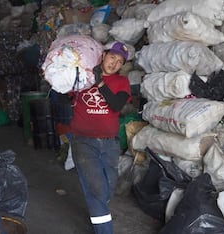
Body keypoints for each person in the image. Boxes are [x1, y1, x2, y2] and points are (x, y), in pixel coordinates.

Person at [68, 41, 131, 234]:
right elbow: (62, 93)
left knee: (108, 188)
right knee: (97, 189)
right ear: (103, 56)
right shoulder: (83, 77)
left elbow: (116, 105)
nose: (114, 63)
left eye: (119, 61)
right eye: (112, 57)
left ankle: (97, 207)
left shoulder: (122, 82)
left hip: (110, 143)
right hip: (83, 141)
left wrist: (100, 83)